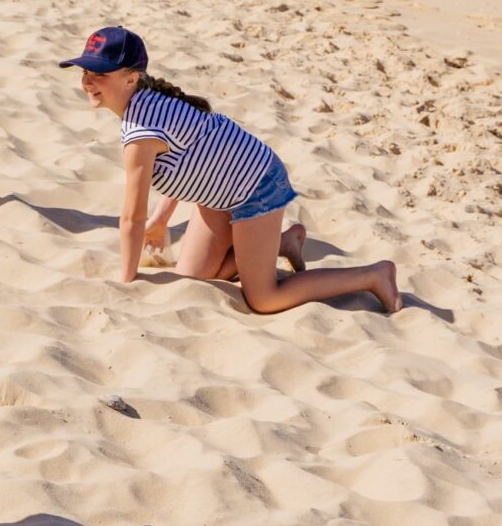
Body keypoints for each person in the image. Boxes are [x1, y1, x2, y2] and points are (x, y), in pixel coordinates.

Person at [63, 26, 399, 313]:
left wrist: (127, 281)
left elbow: (131, 218)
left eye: (100, 74)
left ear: (131, 78)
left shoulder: (141, 131)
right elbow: (184, 162)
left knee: (264, 299)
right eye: (85, 72)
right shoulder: (145, 100)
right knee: (193, 280)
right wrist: (162, 220)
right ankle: (282, 243)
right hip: (221, 189)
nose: (89, 81)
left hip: (257, 187)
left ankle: (373, 275)